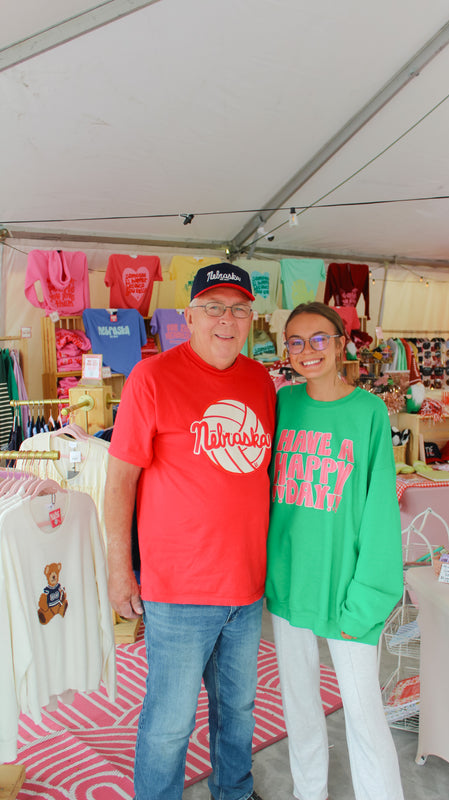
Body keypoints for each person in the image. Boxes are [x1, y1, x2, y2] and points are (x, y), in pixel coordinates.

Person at [104, 263, 276, 800]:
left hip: (246, 588)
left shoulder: (260, 381)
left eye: (239, 308)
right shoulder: (150, 378)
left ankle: (236, 791)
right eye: (214, 307)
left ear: (251, 317)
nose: (227, 320)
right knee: (169, 723)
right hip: (178, 590)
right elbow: (118, 484)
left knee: (240, 710)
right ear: (189, 315)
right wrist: (118, 570)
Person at [265, 302, 405, 800]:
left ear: (341, 343)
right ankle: (309, 793)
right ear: (287, 349)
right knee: (299, 707)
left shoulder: (366, 411)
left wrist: (368, 594)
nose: (308, 351)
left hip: (347, 587)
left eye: (319, 339)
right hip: (289, 582)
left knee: (364, 714)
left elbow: (380, 510)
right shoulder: (283, 405)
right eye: (297, 341)